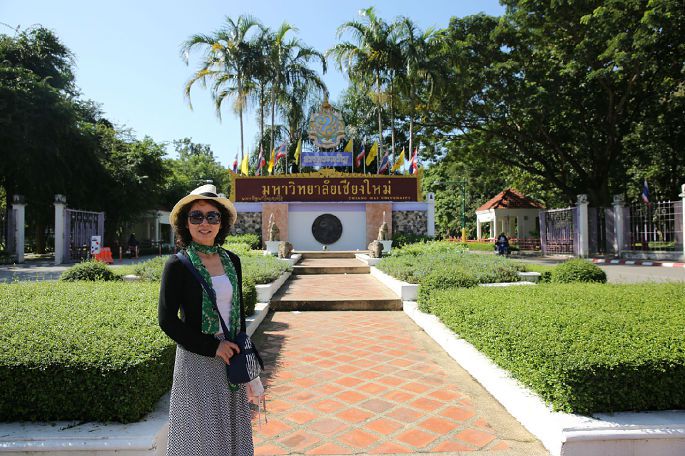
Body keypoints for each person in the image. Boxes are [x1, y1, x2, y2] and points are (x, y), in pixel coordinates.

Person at [158, 184, 259, 456]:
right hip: (197, 359)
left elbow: (237, 315)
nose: (205, 223)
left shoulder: (232, 261)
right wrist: (213, 347)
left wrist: (248, 365)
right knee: (202, 434)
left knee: (231, 429)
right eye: (197, 216)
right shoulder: (178, 265)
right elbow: (167, 320)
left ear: (221, 223)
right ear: (186, 223)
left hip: (231, 355)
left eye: (212, 216)